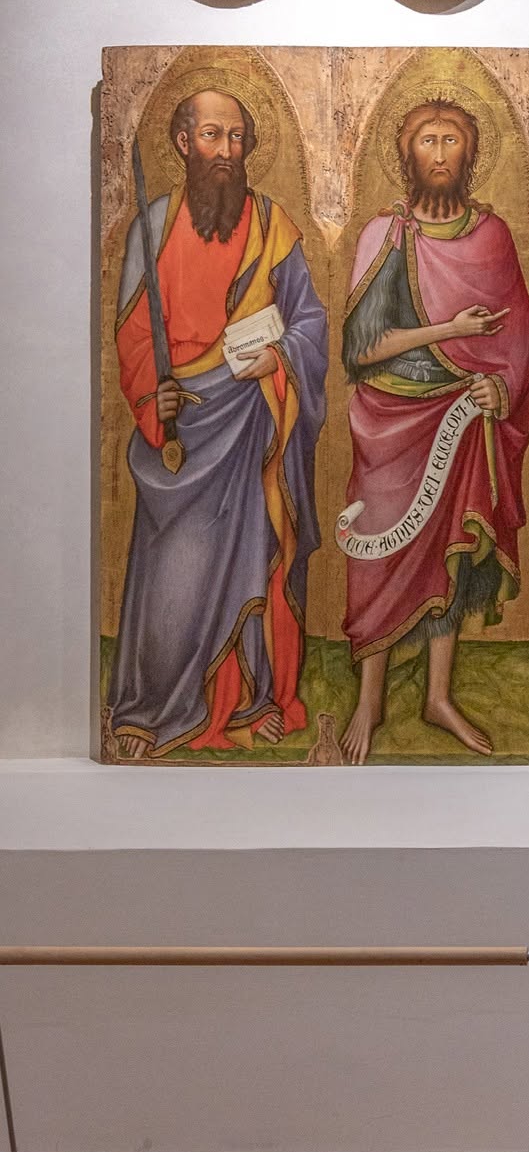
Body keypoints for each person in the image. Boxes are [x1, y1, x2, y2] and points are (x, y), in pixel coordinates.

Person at [108, 90, 327, 758]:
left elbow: (309, 320)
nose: (226, 150)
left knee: (254, 557)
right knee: (173, 576)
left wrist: (279, 357)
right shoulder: (153, 227)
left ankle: (249, 704)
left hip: (252, 423)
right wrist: (152, 398)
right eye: (212, 135)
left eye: (236, 137)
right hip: (182, 432)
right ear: (183, 142)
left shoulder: (272, 225)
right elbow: (134, 335)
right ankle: (151, 708)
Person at [339, 100, 529, 762]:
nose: (438, 152)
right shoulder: (387, 235)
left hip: (461, 416)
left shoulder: (492, 236)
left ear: (469, 153)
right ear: (408, 153)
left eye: (450, 140)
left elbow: (522, 334)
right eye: (427, 139)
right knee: (378, 551)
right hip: (390, 415)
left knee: (455, 548)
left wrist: (500, 385)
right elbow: (361, 349)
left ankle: (437, 696)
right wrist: (451, 331)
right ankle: (369, 699)